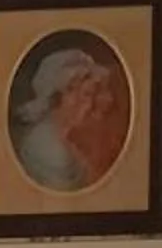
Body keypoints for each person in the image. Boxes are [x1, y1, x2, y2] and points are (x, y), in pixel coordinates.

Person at [10, 40, 132, 192]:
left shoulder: (73, 136)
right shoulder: (48, 147)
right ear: (59, 97)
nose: (92, 104)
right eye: (86, 94)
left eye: (94, 93)